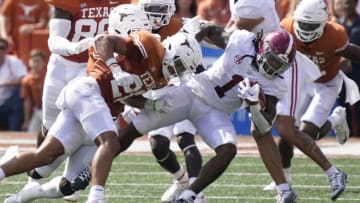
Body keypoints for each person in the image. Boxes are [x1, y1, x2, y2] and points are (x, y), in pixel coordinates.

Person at [88, 22, 301, 202]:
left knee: (228, 149)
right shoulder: (242, 41)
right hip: (193, 92)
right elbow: (209, 30)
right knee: (135, 128)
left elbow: (264, 127)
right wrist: (189, 44)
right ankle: (89, 172)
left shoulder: (277, 84)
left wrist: (254, 106)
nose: (274, 68)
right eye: (273, 60)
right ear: (263, 48)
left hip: (215, 113)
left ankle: (189, 195)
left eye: (280, 65)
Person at [1, 5, 185, 203]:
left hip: (99, 111)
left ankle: (20, 191)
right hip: (87, 94)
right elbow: (103, 40)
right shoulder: (134, 45)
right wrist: (116, 69)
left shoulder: (157, 69)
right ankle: (97, 198)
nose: (177, 69)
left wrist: (150, 105)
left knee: (55, 171)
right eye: (179, 63)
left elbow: (124, 93)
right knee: (110, 142)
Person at [9, 0, 129, 201]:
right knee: (49, 126)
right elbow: (54, 42)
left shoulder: (123, 3)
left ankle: (69, 175)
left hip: (94, 67)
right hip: (63, 65)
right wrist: (77, 47)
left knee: (84, 123)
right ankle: (36, 177)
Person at [264, 0, 360, 199]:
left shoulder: (336, 33)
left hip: (327, 80)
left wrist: (346, 60)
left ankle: (335, 119)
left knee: (307, 133)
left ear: (324, 23)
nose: (306, 29)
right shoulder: (286, 26)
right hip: (299, 78)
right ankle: (284, 178)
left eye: (311, 26)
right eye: (303, 24)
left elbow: (349, 52)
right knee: (287, 130)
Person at [137, 0, 205, 201]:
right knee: (158, 146)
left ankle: (196, 191)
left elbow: (205, 43)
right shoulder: (135, 28)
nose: (155, 15)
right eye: (150, 10)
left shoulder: (182, 25)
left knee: (185, 138)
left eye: (159, 10)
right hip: (158, 90)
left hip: (183, 85)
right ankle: (182, 181)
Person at [337, 0, 360, 137]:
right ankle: (347, 137)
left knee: (358, 106)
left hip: (358, 72)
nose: (347, 6)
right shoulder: (337, 25)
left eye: (349, 3)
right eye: (344, 3)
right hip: (341, 73)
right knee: (343, 106)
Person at [0, 37, 28, 131]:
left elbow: (25, 79)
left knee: (19, 91)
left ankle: (14, 131)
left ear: (7, 49)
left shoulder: (13, 62)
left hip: (7, 105)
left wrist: (6, 83)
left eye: (2, 48)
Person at [21, 49, 46, 133]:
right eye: (33, 61)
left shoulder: (48, 77)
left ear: (43, 63)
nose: (36, 64)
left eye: (38, 61)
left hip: (49, 109)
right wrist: (26, 120)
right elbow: (27, 101)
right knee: (31, 131)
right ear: (29, 62)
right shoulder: (26, 80)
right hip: (38, 110)